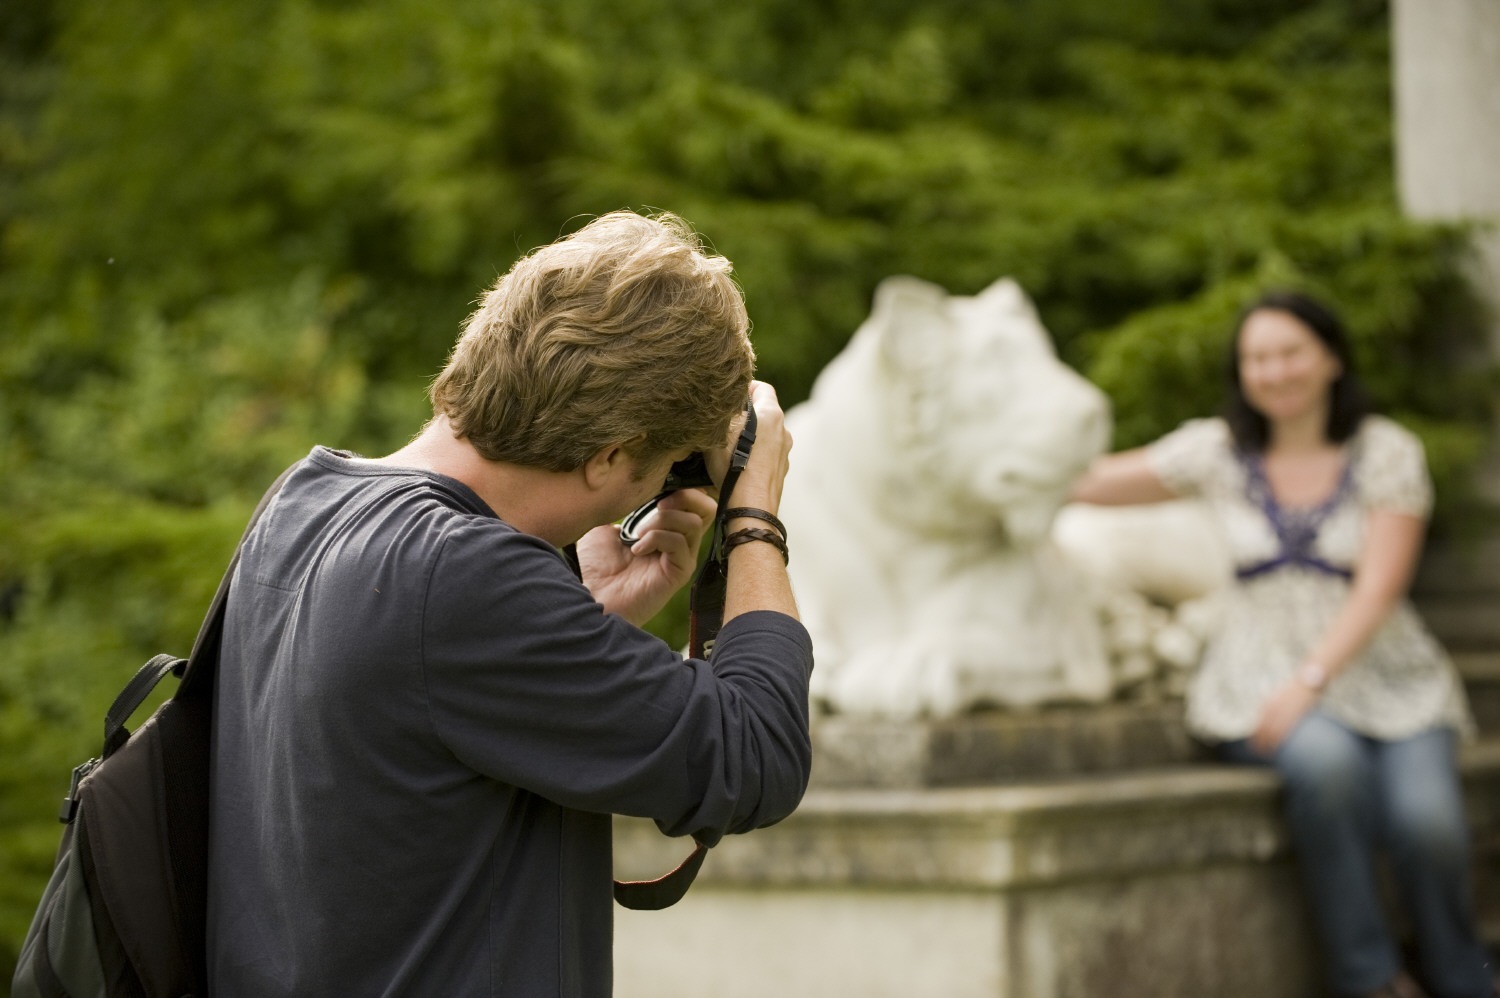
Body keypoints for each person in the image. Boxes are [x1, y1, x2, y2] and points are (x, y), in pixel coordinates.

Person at [205, 211, 812, 997]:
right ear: (611, 456)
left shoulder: (308, 499)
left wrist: (586, 620)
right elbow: (755, 754)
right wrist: (754, 518)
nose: (658, 482)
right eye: (661, 463)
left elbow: (410, 736)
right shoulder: (459, 577)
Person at [1070, 291, 1493, 998]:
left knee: (1431, 823)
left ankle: (1464, 977)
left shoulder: (1386, 452)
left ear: (1330, 357)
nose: (1275, 371)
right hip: (1255, 677)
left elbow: (1378, 588)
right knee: (1327, 768)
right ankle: (1374, 980)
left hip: (1388, 677)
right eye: (1257, 358)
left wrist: (1312, 678)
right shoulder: (1217, 451)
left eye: (1291, 352)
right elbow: (1082, 482)